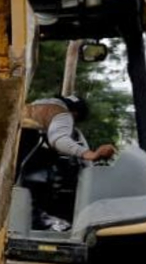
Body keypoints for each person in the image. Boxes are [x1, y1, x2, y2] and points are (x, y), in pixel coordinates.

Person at [22, 95, 117, 230]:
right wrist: (89, 154)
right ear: (75, 114)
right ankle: (36, 218)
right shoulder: (62, 114)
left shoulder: (35, 104)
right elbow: (59, 140)